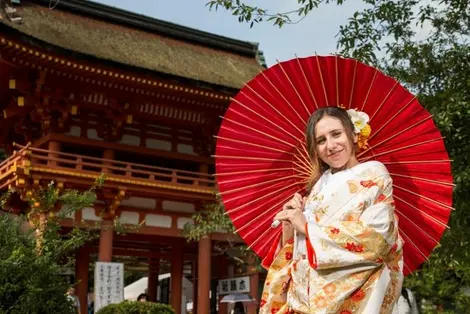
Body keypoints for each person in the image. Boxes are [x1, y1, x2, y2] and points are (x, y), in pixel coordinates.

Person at [260, 107, 404, 313]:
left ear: (354, 135)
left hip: (351, 298)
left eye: (336, 134)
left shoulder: (374, 174)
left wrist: (307, 227)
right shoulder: (317, 187)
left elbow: (378, 238)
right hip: (303, 299)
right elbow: (299, 254)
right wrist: (290, 226)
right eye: (321, 140)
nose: (331, 146)